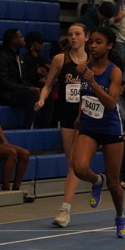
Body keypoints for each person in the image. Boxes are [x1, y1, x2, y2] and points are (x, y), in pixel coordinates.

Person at [70, 27, 125, 238]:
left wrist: (93, 82)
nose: (93, 46)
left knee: (114, 183)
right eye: (91, 42)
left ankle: (120, 216)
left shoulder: (115, 71)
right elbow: (83, 95)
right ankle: (96, 180)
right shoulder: (83, 68)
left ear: (109, 46)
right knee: (79, 168)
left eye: (98, 42)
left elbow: (111, 103)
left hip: (110, 128)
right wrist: (80, 113)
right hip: (89, 127)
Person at [37, 23, 88, 227]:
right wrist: (42, 99)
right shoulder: (60, 59)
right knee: (73, 164)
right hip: (66, 115)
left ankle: (64, 210)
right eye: (70, 34)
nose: (73, 37)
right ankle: (96, 180)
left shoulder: (92, 61)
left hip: (86, 116)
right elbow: (48, 85)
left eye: (77, 34)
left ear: (86, 37)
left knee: (75, 163)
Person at [0, 28, 41, 128]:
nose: (23, 39)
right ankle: (27, 127)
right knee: (31, 94)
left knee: (44, 93)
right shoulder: (1, 57)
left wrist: (32, 87)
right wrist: (27, 88)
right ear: (13, 40)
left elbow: (22, 79)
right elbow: (4, 82)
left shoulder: (19, 56)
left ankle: (45, 126)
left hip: (17, 91)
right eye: (20, 37)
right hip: (5, 94)